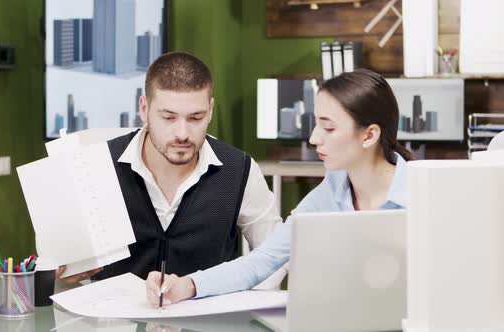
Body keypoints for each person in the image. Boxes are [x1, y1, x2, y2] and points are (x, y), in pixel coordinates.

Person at [145, 68, 413, 306]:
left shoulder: (424, 196)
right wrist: (187, 286)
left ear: (369, 135)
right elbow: (262, 261)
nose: (313, 137)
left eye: (328, 128)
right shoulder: (329, 192)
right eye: (316, 123)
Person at [56, 51, 283, 284]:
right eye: (168, 118)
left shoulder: (239, 170)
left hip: (209, 318)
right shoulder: (97, 165)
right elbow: (61, 259)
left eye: (195, 118)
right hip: (114, 317)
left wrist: (247, 309)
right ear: (144, 108)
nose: (182, 134)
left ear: (211, 110)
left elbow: (275, 257)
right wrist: (64, 268)